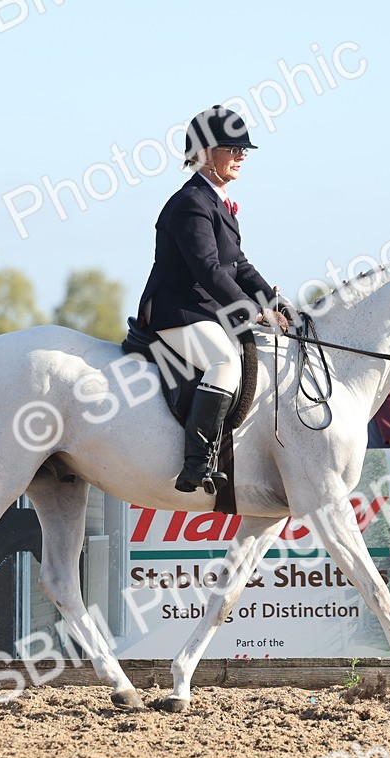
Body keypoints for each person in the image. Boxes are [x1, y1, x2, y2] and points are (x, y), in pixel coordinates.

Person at [135, 105, 289, 494]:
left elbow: (239, 265)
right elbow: (208, 269)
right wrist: (253, 311)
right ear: (203, 152)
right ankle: (196, 462)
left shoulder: (218, 204)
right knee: (224, 362)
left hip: (203, 310)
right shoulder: (191, 202)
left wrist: (277, 304)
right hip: (178, 310)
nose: (240, 156)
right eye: (231, 149)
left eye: (244, 151)